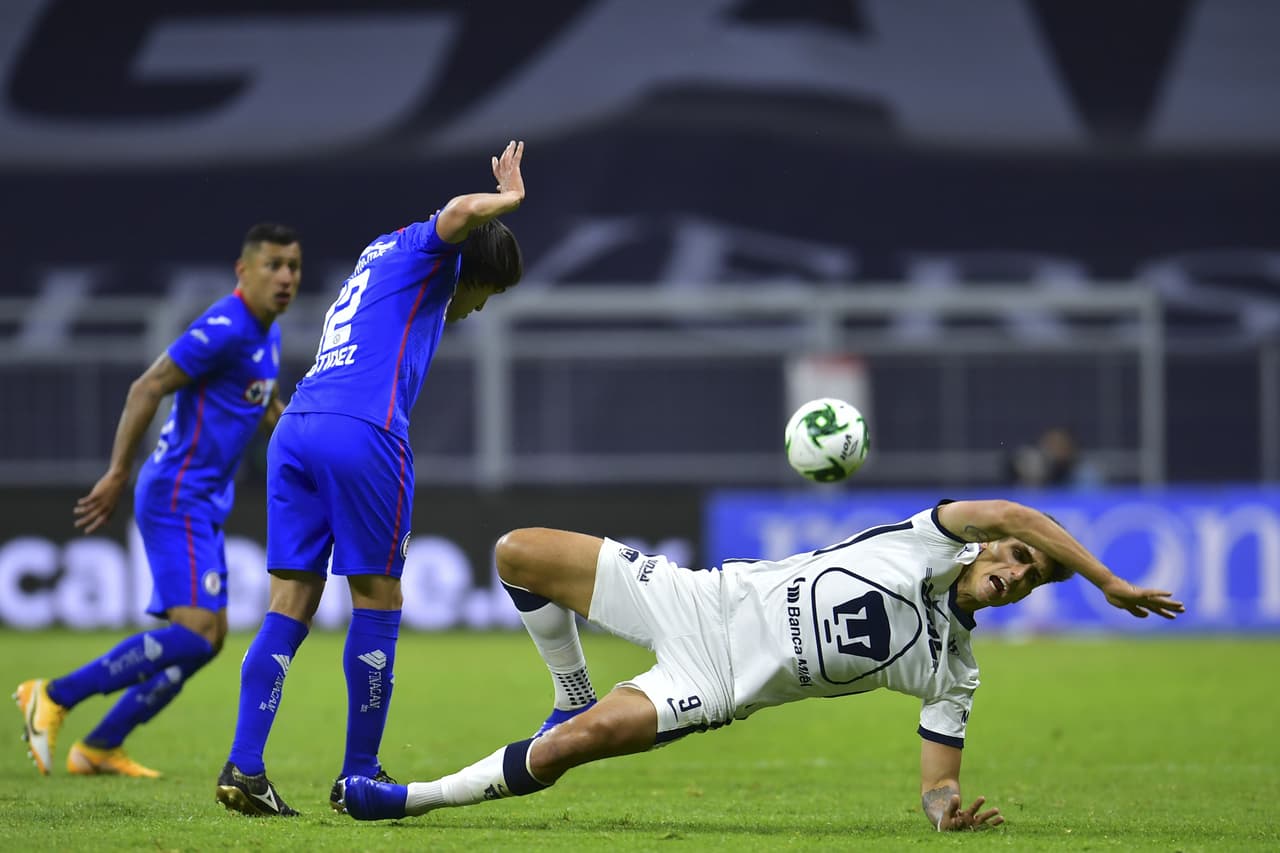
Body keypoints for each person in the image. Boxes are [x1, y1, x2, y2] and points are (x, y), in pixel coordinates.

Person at [330, 498, 1184, 832]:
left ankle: (403, 800)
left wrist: (944, 813)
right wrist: (1106, 578)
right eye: (1019, 554)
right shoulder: (925, 539)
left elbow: (937, 778)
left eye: (1034, 576)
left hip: (716, 686)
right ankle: (569, 689)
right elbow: (1009, 507)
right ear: (988, 545)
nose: (1019, 569)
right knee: (517, 551)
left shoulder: (951, 668)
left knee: (563, 755)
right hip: (701, 598)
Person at [215, 141, 526, 817]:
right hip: (364, 431)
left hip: (298, 424)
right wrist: (506, 202)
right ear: (474, 268)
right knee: (379, 598)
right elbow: (460, 213)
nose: (479, 305)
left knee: (290, 601)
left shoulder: (381, 252)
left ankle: (244, 764)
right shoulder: (434, 248)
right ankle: (360, 773)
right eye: (488, 290)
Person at [13, 224, 303, 778]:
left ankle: (99, 746)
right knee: (195, 632)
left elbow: (262, 405)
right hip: (177, 492)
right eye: (273, 265)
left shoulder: (266, 332)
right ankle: (53, 694)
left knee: (206, 640)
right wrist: (118, 471)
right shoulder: (224, 326)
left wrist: (299, 441)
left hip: (204, 500)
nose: (285, 277)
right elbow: (147, 387)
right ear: (244, 271)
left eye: (293, 265)